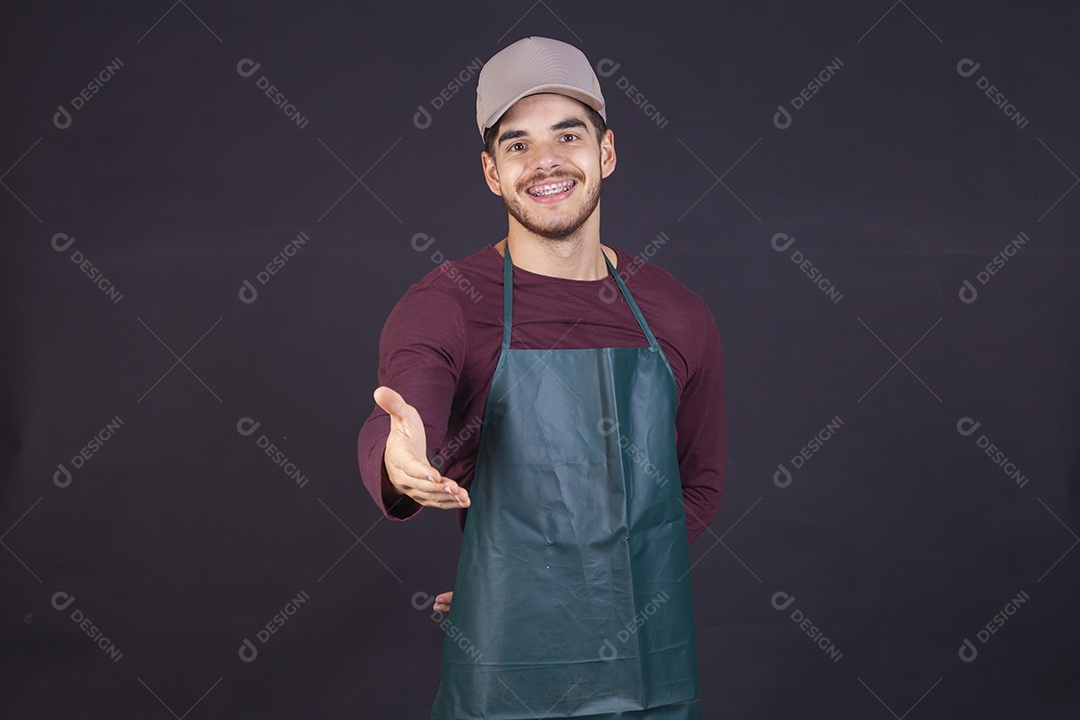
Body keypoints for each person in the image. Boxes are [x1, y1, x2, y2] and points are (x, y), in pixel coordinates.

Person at [358, 36, 726, 720]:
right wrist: (398, 453)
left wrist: (568, 592)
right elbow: (408, 402)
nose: (544, 161)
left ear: (605, 152)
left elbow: (697, 484)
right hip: (504, 685)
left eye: (567, 134)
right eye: (517, 143)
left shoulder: (677, 314)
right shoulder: (447, 304)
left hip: (651, 681)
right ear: (492, 173)